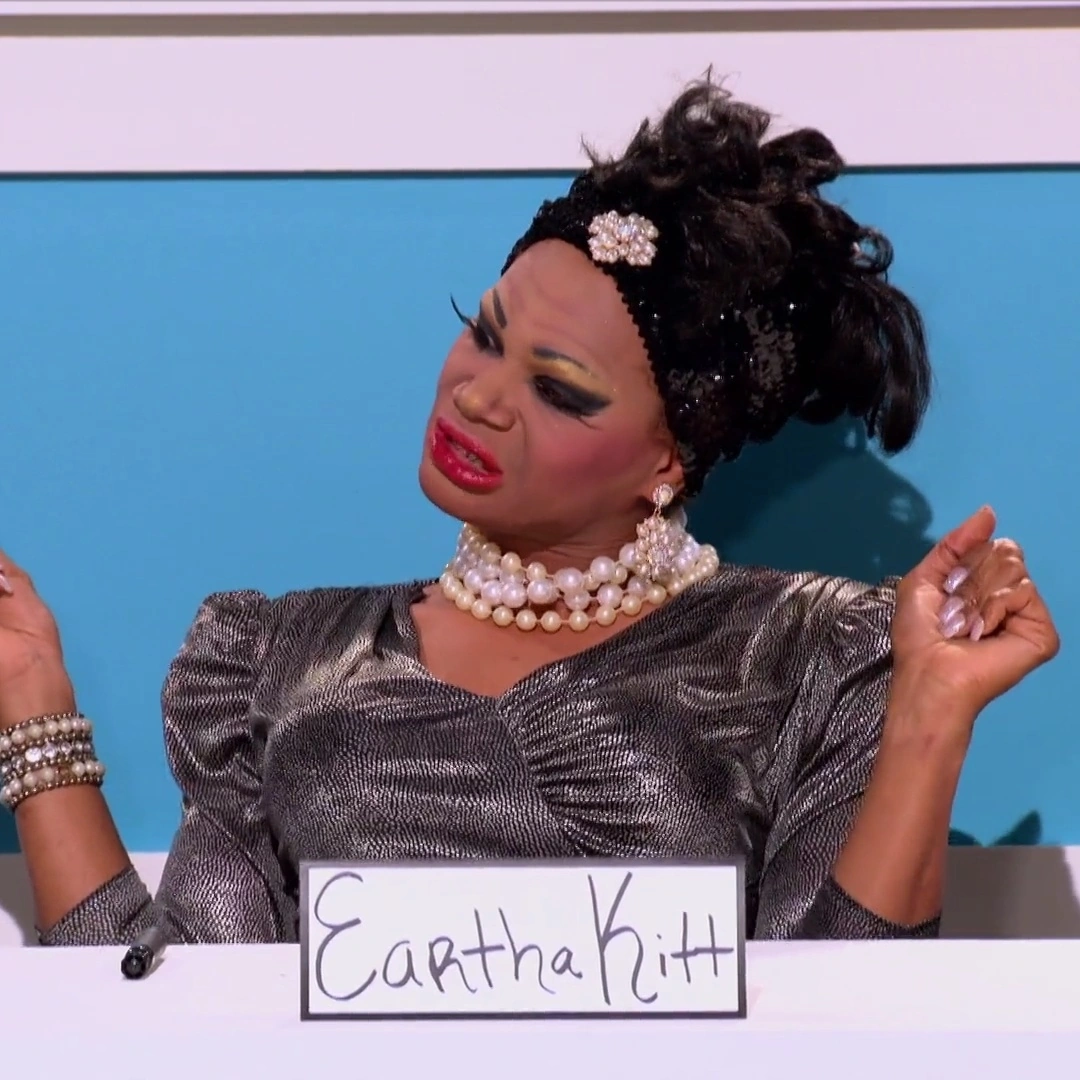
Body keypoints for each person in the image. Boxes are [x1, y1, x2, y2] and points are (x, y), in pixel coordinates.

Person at [0, 79, 1058, 946]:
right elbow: (174, 1017)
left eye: (559, 390)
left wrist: (930, 718)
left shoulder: (814, 652)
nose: (478, 396)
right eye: (484, 330)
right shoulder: (280, 653)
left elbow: (842, 1015)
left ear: (666, 460)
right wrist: (31, 705)